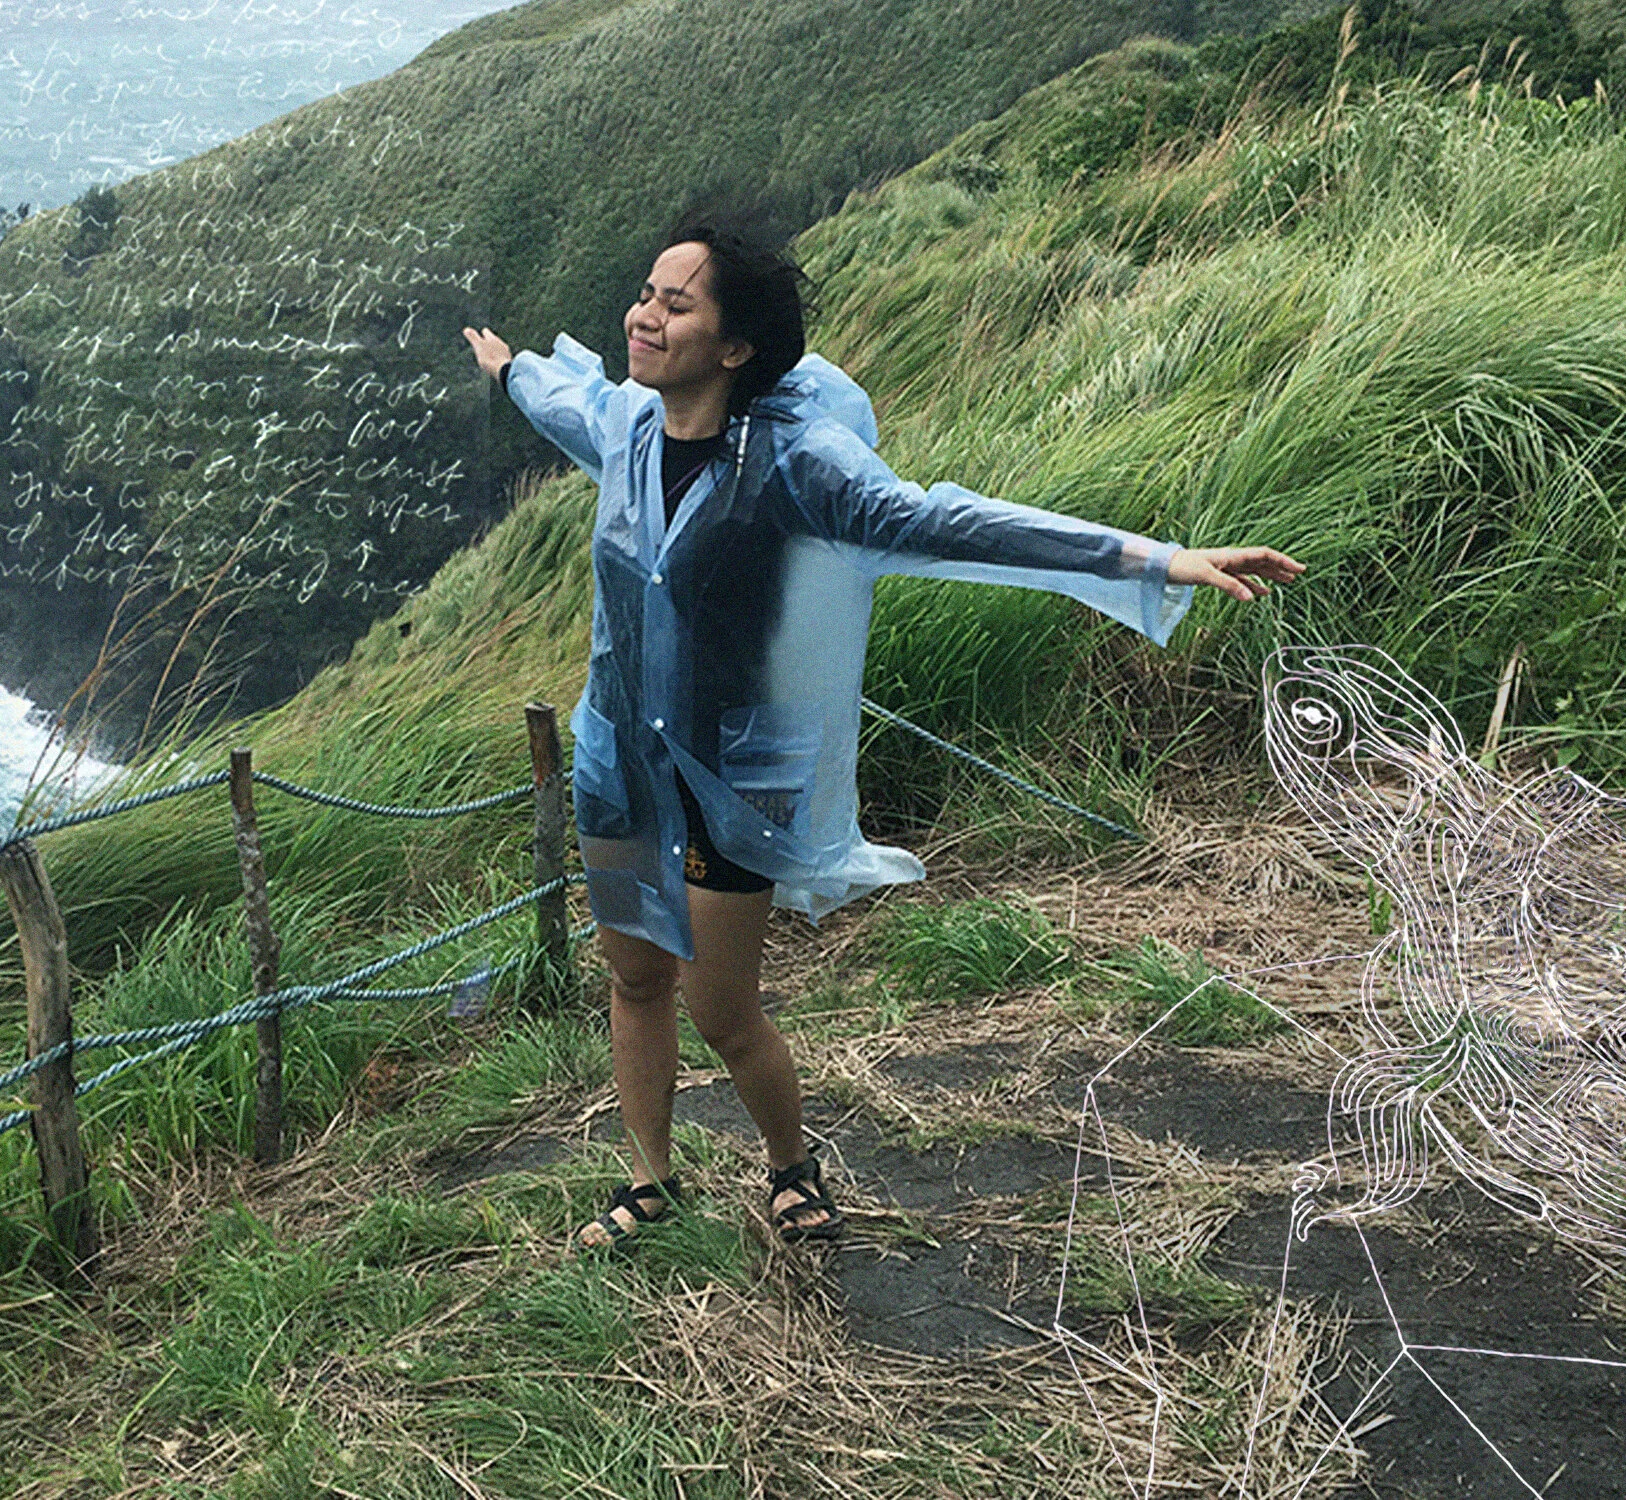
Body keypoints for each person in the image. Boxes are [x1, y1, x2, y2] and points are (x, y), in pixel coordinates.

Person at [461, 215, 1302, 1252]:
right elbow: (565, 400)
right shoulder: (628, 426)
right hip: (620, 757)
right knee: (633, 980)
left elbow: (949, 520)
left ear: (735, 347)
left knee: (722, 1011)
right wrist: (510, 370)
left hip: (734, 772)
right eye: (645, 295)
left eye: (675, 305)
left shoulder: (795, 464)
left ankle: (789, 1164)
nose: (644, 317)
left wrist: (1152, 560)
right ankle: (650, 1181)